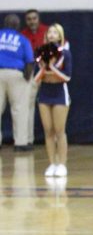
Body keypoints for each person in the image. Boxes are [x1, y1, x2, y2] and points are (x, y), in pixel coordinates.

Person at [34, 24, 72, 177]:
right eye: (49, 32)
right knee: (48, 131)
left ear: (60, 36)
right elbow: (36, 79)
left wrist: (51, 67)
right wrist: (43, 68)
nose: (51, 34)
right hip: (44, 93)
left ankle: (62, 164)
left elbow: (67, 77)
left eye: (55, 32)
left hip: (59, 93)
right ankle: (52, 163)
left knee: (59, 131)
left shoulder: (65, 53)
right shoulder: (41, 53)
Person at [0, 14, 35, 151]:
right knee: (20, 109)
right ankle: (20, 143)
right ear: (17, 25)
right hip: (16, 74)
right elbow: (29, 61)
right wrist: (27, 78)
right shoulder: (22, 39)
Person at [21, 9, 49, 148]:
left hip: (49, 72)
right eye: (29, 19)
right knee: (28, 105)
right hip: (31, 73)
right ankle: (27, 139)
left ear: (39, 19)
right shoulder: (22, 35)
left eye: (34, 18)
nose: (32, 21)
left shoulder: (48, 31)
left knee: (52, 105)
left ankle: (54, 138)